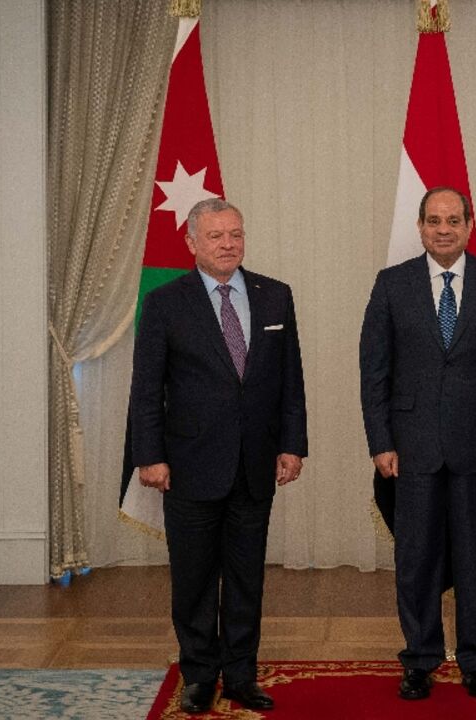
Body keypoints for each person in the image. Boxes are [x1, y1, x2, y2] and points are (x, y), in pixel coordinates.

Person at [129, 197, 307, 715]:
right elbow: (147, 389)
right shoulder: (164, 302)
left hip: (255, 463)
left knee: (248, 576)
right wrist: (150, 455)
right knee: (194, 578)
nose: (228, 244)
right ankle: (200, 674)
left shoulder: (276, 296)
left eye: (235, 234)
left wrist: (293, 444)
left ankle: (242, 674)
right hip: (187, 465)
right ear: (191, 243)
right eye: (216, 236)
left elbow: (290, 380)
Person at [359, 186, 476, 701]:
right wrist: (380, 440)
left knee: (475, 558)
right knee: (415, 558)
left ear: (469, 225)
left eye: (453, 220)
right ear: (420, 227)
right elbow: (374, 372)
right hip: (409, 449)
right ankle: (420, 658)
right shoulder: (392, 285)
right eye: (433, 220)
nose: (443, 229)